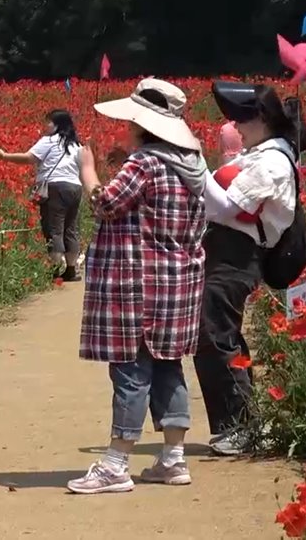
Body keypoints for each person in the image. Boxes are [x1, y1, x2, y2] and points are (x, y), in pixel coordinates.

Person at [67, 78, 208, 494]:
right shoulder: (192, 165)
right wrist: (126, 161)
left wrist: (88, 171)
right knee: (168, 366)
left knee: (131, 369)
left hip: (137, 284)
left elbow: (107, 203)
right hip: (176, 285)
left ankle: (116, 464)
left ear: (142, 125)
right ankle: (173, 459)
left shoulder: (144, 164)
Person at [196, 81, 306, 456]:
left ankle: (239, 425)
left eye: (240, 120)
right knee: (221, 332)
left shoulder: (273, 162)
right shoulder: (257, 155)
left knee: (214, 334)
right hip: (225, 251)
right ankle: (243, 420)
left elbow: (227, 206)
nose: (235, 127)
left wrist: (194, 165)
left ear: (262, 119)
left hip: (239, 255)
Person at [0, 110, 84, 281]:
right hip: (75, 188)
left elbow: (29, 158)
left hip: (55, 187)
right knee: (70, 229)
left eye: (48, 122)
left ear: (57, 125)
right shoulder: (77, 145)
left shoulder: (49, 141)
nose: (45, 125)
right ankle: (71, 270)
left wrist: (4, 156)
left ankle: (55, 271)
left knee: (54, 229)